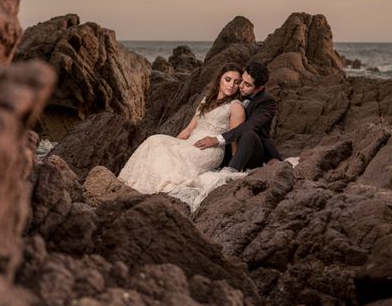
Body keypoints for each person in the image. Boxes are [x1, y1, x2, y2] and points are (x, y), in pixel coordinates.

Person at [118, 64, 245, 206]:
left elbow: (235, 137)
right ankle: (134, 185)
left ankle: (150, 190)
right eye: (228, 79)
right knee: (156, 140)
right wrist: (173, 144)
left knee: (164, 149)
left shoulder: (235, 106)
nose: (231, 85)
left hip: (209, 150)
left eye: (236, 82)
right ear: (219, 79)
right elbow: (190, 128)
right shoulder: (207, 100)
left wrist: (236, 165)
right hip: (191, 142)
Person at [194, 61, 282, 171]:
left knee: (249, 134)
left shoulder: (267, 102)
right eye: (241, 81)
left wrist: (217, 139)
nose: (240, 86)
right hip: (229, 148)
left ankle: (230, 172)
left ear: (259, 88)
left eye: (247, 84)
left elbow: (248, 127)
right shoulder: (236, 92)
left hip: (254, 152)